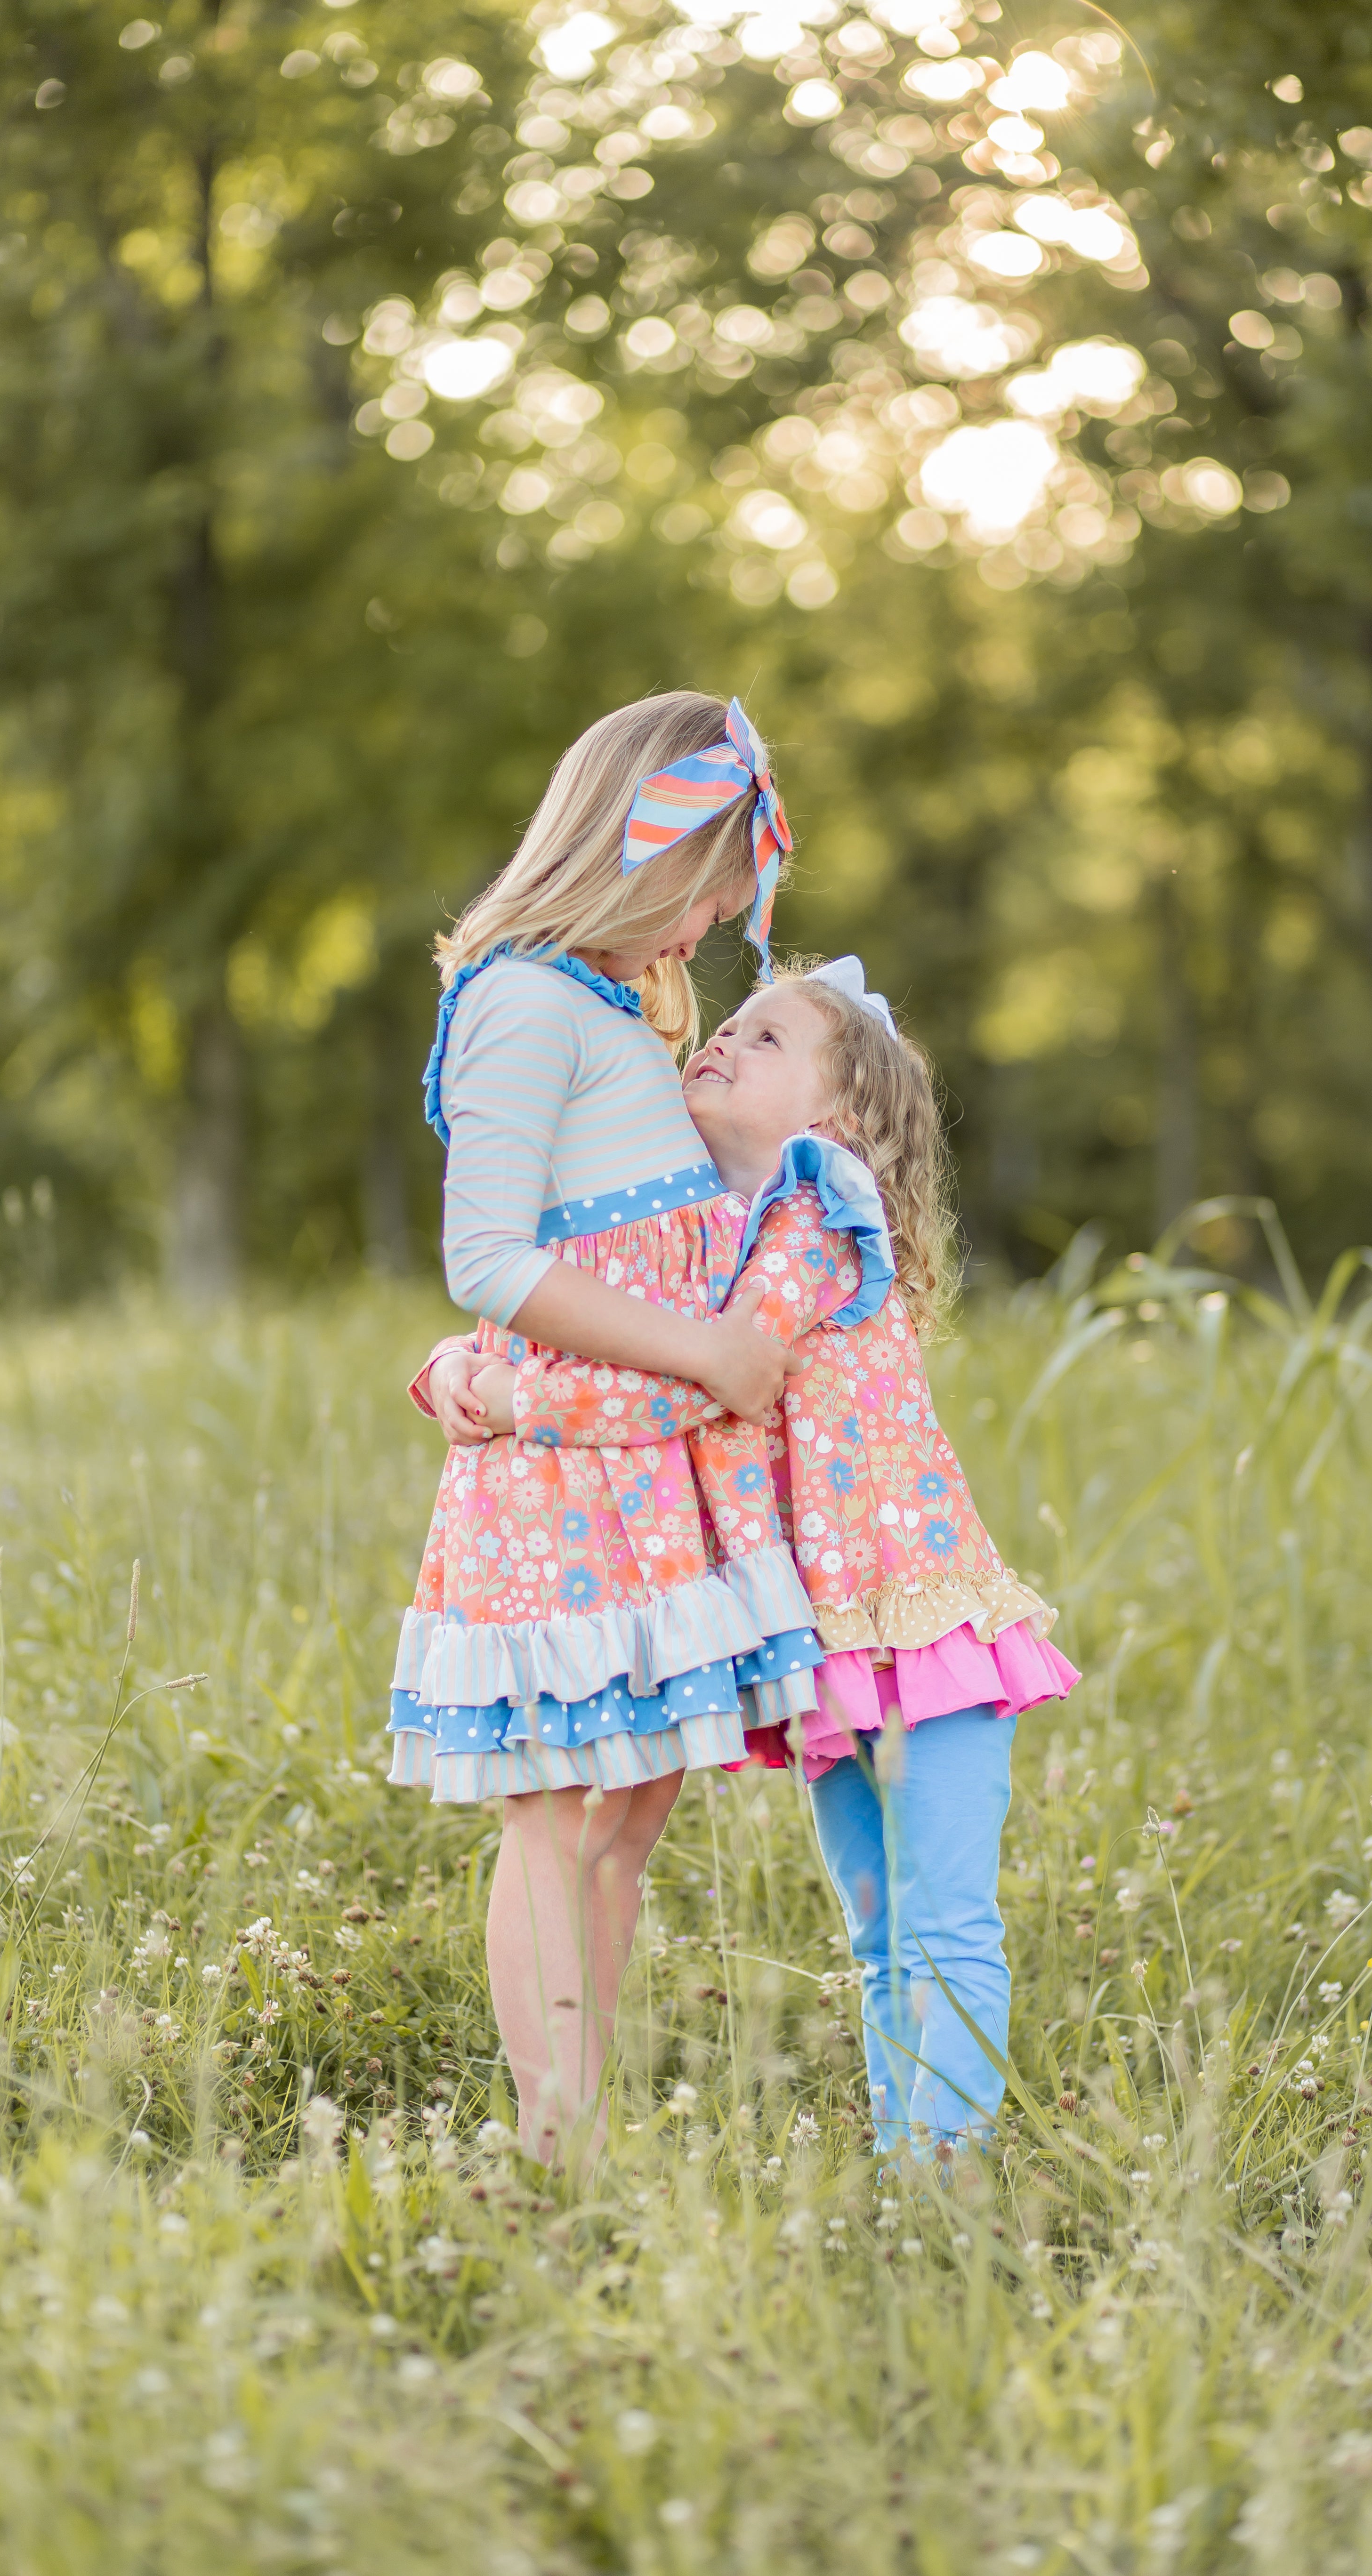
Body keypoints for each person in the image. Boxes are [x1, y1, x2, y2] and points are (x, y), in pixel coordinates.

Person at [429, 958, 1079, 2156]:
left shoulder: (818, 1204)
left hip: (924, 1632)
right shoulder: (721, 1228)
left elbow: (698, 1374)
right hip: (840, 1648)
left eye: (766, 1040)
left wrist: (510, 1396)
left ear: (837, 1118)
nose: (721, 1041)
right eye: (728, 1027)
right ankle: (918, 2174)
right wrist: (462, 1362)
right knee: (883, 1931)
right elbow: (626, 1327)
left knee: (939, 1924)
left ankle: (948, 2184)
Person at [394, 690, 827, 2169]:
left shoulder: (616, 1011)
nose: (718, 922)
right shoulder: (519, 997)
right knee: (564, 1814)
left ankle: (580, 2119)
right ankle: (551, 2133)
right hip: (569, 1477)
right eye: (718, 888)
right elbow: (494, 1260)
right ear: (650, 856)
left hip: (648, 1475)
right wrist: (699, 1349)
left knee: (630, 1809)